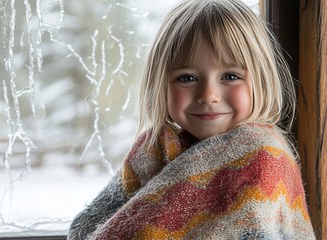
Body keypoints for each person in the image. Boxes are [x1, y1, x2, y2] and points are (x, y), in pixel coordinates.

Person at [67, 0, 316, 239]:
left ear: (260, 81)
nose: (208, 95)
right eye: (187, 78)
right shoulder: (152, 150)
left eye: (230, 76)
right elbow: (85, 228)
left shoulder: (262, 157)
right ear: (161, 85)